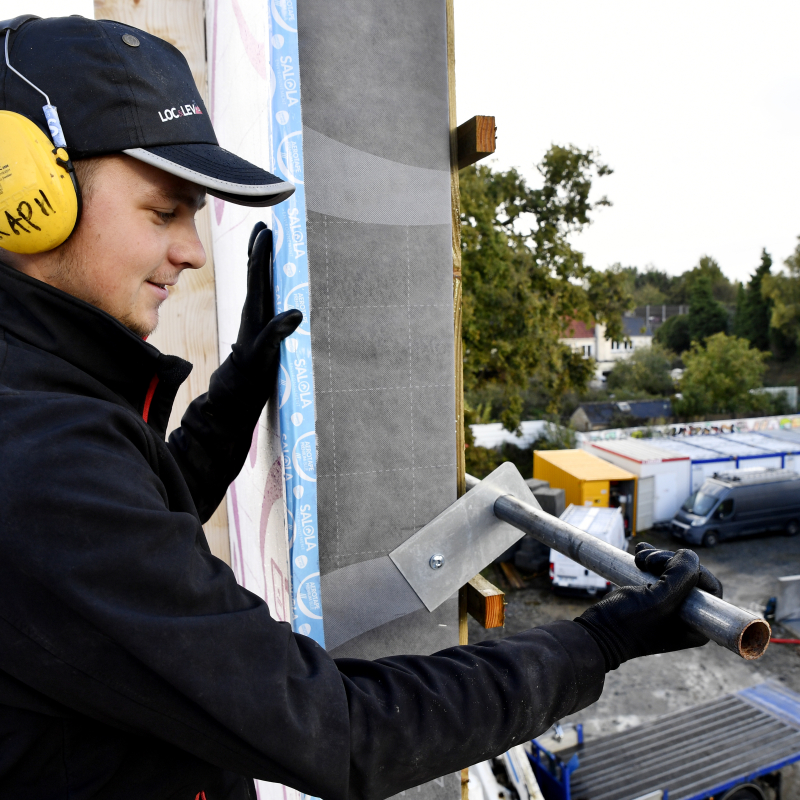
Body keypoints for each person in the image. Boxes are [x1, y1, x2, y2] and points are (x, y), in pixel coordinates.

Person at [0, 14, 723, 800]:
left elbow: (127, 530)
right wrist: (597, 644)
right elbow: (334, 727)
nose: (193, 251)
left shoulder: (38, 404)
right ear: (25, 193)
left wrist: (238, 392)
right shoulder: (39, 453)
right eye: (164, 211)